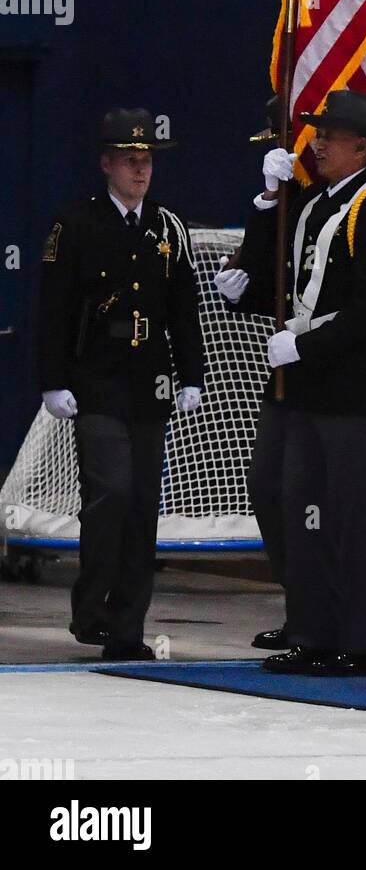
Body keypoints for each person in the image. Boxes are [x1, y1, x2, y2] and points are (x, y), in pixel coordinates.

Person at [216, 89, 366, 677]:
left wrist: (302, 344)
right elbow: (281, 275)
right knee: (290, 502)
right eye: (317, 133)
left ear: (363, 147)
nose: (318, 144)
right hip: (301, 384)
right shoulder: (313, 204)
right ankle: (310, 624)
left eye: (330, 135)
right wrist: (264, 207)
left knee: (348, 517)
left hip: (350, 390)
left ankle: (356, 640)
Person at [38, 107, 203, 661]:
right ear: (107, 164)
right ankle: (93, 609)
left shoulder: (167, 227)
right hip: (98, 379)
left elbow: (184, 308)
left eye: (147, 160)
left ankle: (127, 628)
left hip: (150, 380)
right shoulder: (76, 225)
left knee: (143, 503)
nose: (141, 171)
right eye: (130, 161)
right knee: (111, 491)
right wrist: (52, 381)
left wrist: (192, 375)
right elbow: (54, 309)